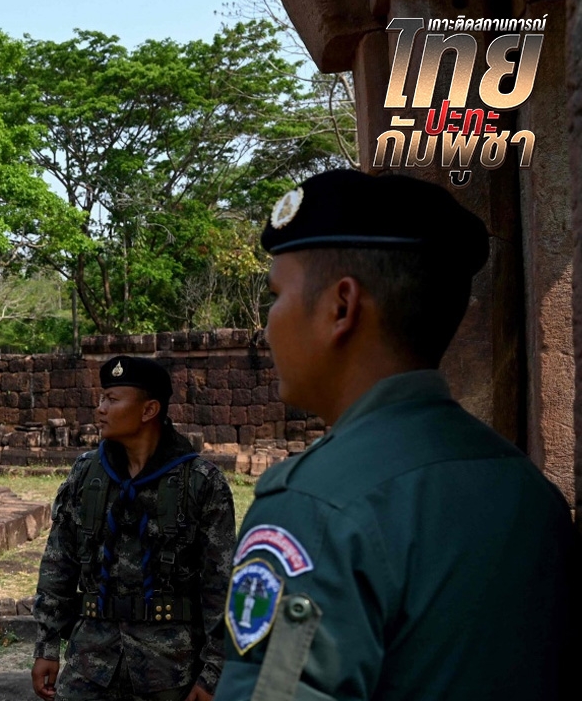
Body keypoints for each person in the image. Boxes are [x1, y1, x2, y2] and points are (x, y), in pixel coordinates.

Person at [215, 169, 580, 699]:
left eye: (275, 296)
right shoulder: (526, 489)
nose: (267, 325)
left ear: (342, 307)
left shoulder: (315, 507)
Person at [33, 355, 236, 701]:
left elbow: (222, 587)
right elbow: (58, 563)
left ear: (148, 410)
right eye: (101, 398)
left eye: (112, 400)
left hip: (170, 669)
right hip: (89, 664)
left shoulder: (201, 484)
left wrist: (213, 673)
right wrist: (47, 645)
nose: (99, 409)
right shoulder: (86, 475)